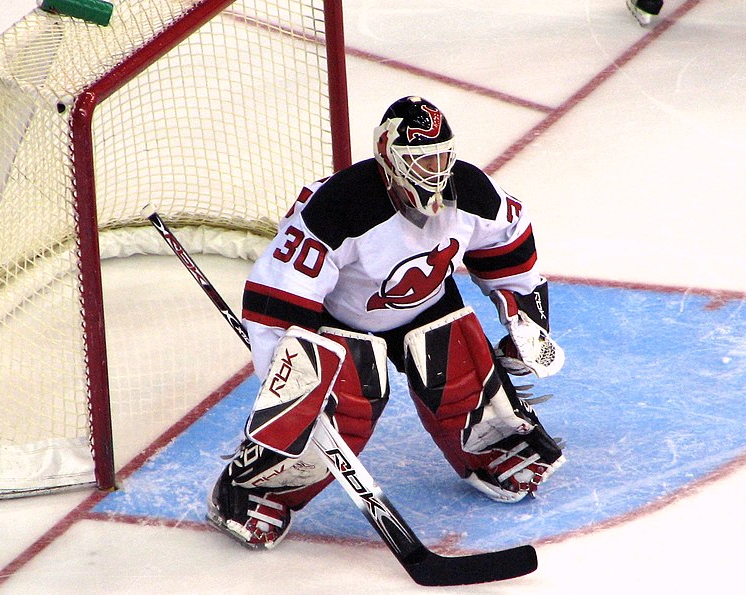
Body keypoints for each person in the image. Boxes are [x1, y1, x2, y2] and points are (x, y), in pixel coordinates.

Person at [206, 96, 567, 550]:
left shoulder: (472, 191)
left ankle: (489, 447)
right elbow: (279, 295)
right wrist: (290, 380)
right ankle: (252, 488)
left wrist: (525, 321)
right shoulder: (339, 206)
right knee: (346, 414)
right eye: (420, 160)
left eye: (442, 157)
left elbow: (508, 242)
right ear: (389, 157)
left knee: (463, 369)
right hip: (343, 321)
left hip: (429, 304)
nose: (435, 173)